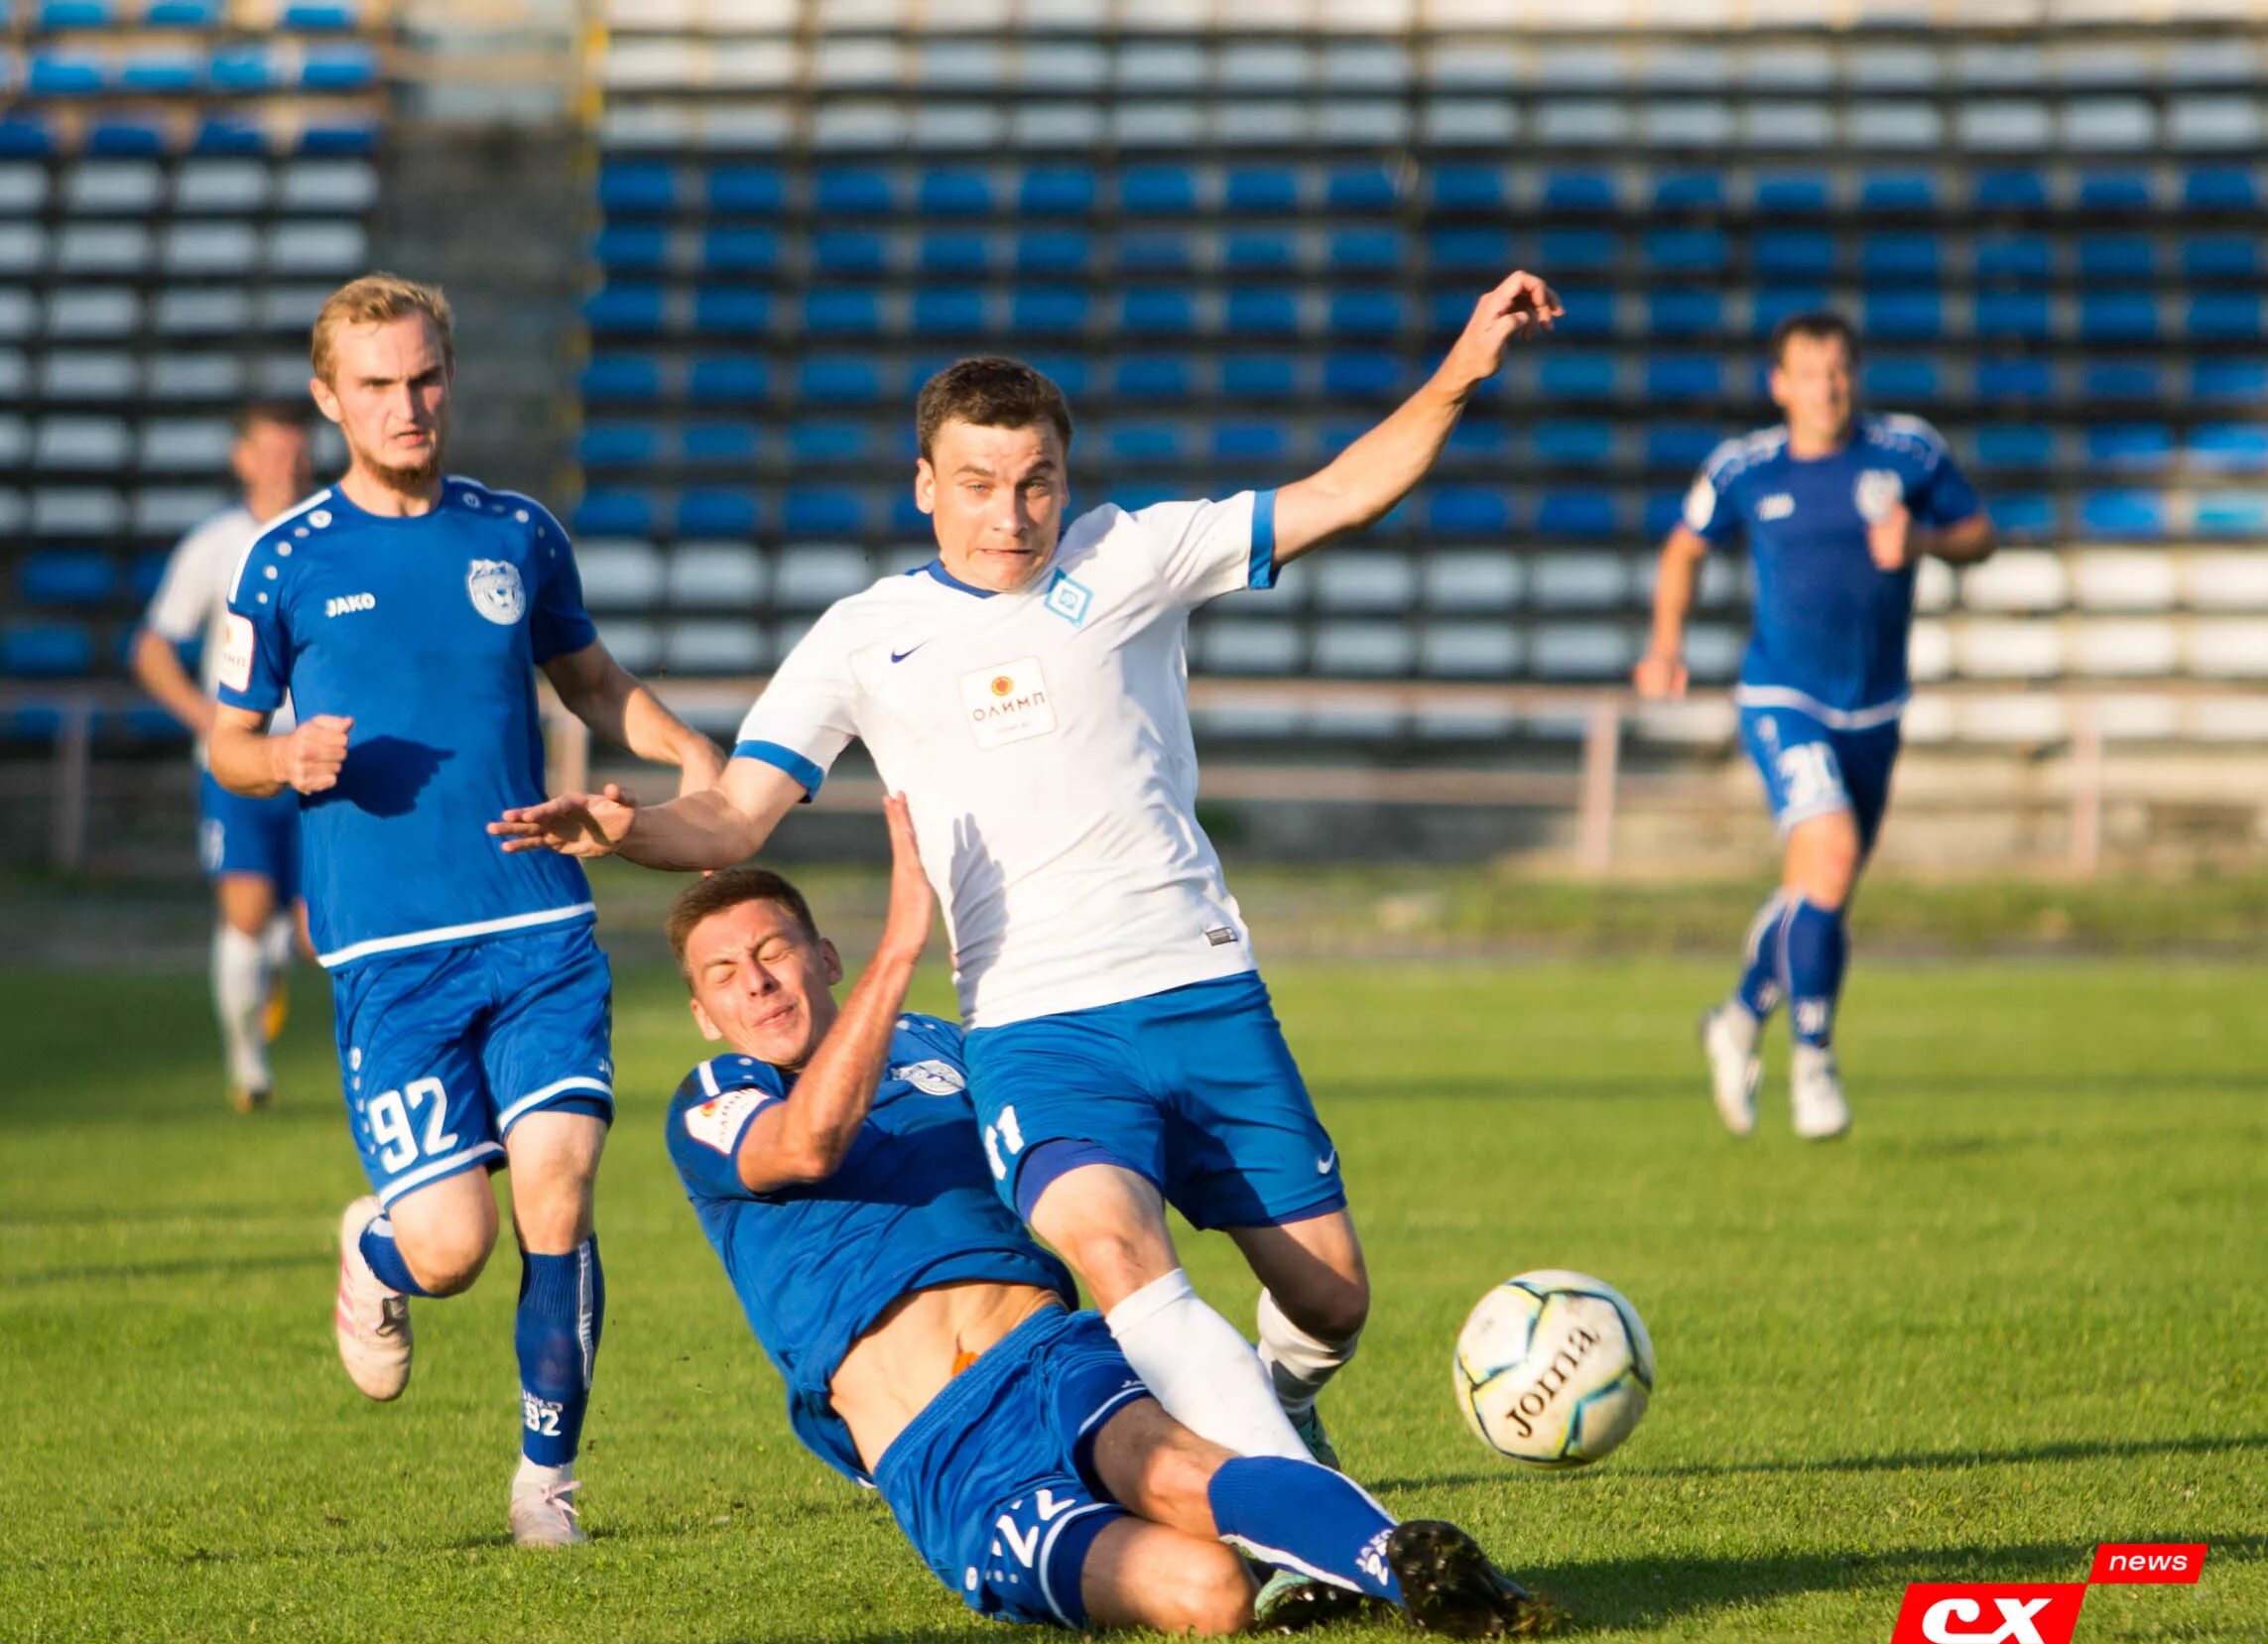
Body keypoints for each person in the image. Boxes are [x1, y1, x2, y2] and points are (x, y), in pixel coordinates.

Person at [494, 272, 1563, 1481]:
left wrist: (1462, 367)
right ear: (924, 487)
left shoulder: (1136, 554)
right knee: (1112, 1252)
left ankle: (1270, 1403)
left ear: (1066, 477)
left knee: (1333, 1302)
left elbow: (1339, 493)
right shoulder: (863, 637)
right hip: (1034, 1022)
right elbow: (736, 815)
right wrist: (623, 828)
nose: (1011, 514)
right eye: (978, 485)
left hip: (1202, 989)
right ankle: (1304, 1518)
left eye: (1036, 482)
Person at [660, 803, 1547, 1639]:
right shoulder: (716, 1098)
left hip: (1051, 1357)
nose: (760, 983)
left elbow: (1082, 1117)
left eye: (774, 951)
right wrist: (904, 942)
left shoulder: (942, 1046)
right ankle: (1282, 1468)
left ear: (823, 955)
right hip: (944, 1457)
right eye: (726, 975)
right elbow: (808, 1145)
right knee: (1212, 1595)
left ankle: (1415, 1567)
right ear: (704, 1014)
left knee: (1167, 1467)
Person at [205, 273, 721, 1545]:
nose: (408, 404)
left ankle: (546, 1483)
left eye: (425, 376)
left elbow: (592, 679)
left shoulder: (518, 534)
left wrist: (691, 756)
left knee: (561, 1192)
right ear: (331, 399)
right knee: (452, 1249)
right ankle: (373, 1250)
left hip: (537, 926)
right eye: (377, 384)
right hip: (390, 954)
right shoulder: (283, 562)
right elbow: (225, 742)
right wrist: (283, 761)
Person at [1634, 310, 1995, 1140]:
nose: (1827, 387)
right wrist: (1663, 644)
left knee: (1817, 891)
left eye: (1839, 370)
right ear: (1779, 384)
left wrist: (1928, 543)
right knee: (1828, 855)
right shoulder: (1744, 468)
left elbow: (1981, 536)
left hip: (1876, 706)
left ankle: (1734, 1020)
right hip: (1781, 695)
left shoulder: (1908, 453)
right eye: (1810, 372)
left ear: (1855, 375)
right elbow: (1683, 549)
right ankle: (1814, 1061)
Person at [130, 400, 315, 1110]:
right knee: (243, 909)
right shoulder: (215, 545)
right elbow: (152, 649)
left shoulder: (330, 536)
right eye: (270, 453)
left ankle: (274, 957)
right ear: (242, 458)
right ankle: (250, 1068)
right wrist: (207, 720)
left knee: (314, 933)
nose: (285, 467)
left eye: (296, 453)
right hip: (237, 766)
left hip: (320, 764)